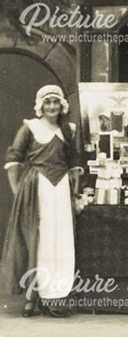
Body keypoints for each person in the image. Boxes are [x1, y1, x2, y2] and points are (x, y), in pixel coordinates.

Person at [1, 84, 84, 317]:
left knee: (61, 242)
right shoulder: (30, 128)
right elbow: (13, 161)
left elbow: (75, 164)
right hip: (37, 191)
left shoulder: (68, 129)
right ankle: (32, 296)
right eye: (47, 102)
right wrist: (18, 191)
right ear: (40, 105)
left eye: (55, 102)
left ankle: (56, 297)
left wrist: (76, 194)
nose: (52, 107)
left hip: (61, 192)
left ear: (62, 105)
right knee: (39, 240)